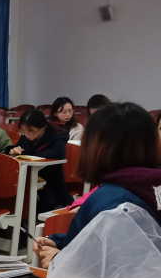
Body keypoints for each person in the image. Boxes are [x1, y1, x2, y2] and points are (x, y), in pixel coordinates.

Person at [34, 102, 161, 268]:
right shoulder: (150, 184)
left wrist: (59, 259)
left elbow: (111, 269)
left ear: (98, 147)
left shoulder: (111, 201)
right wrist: (59, 242)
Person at [6, 110, 73, 212]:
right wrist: (12, 151)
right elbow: (18, 147)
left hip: (50, 181)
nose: (27, 134)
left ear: (43, 127)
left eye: (31, 130)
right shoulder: (26, 136)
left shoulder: (57, 135)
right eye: (23, 131)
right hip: (28, 178)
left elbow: (55, 154)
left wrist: (24, 154)